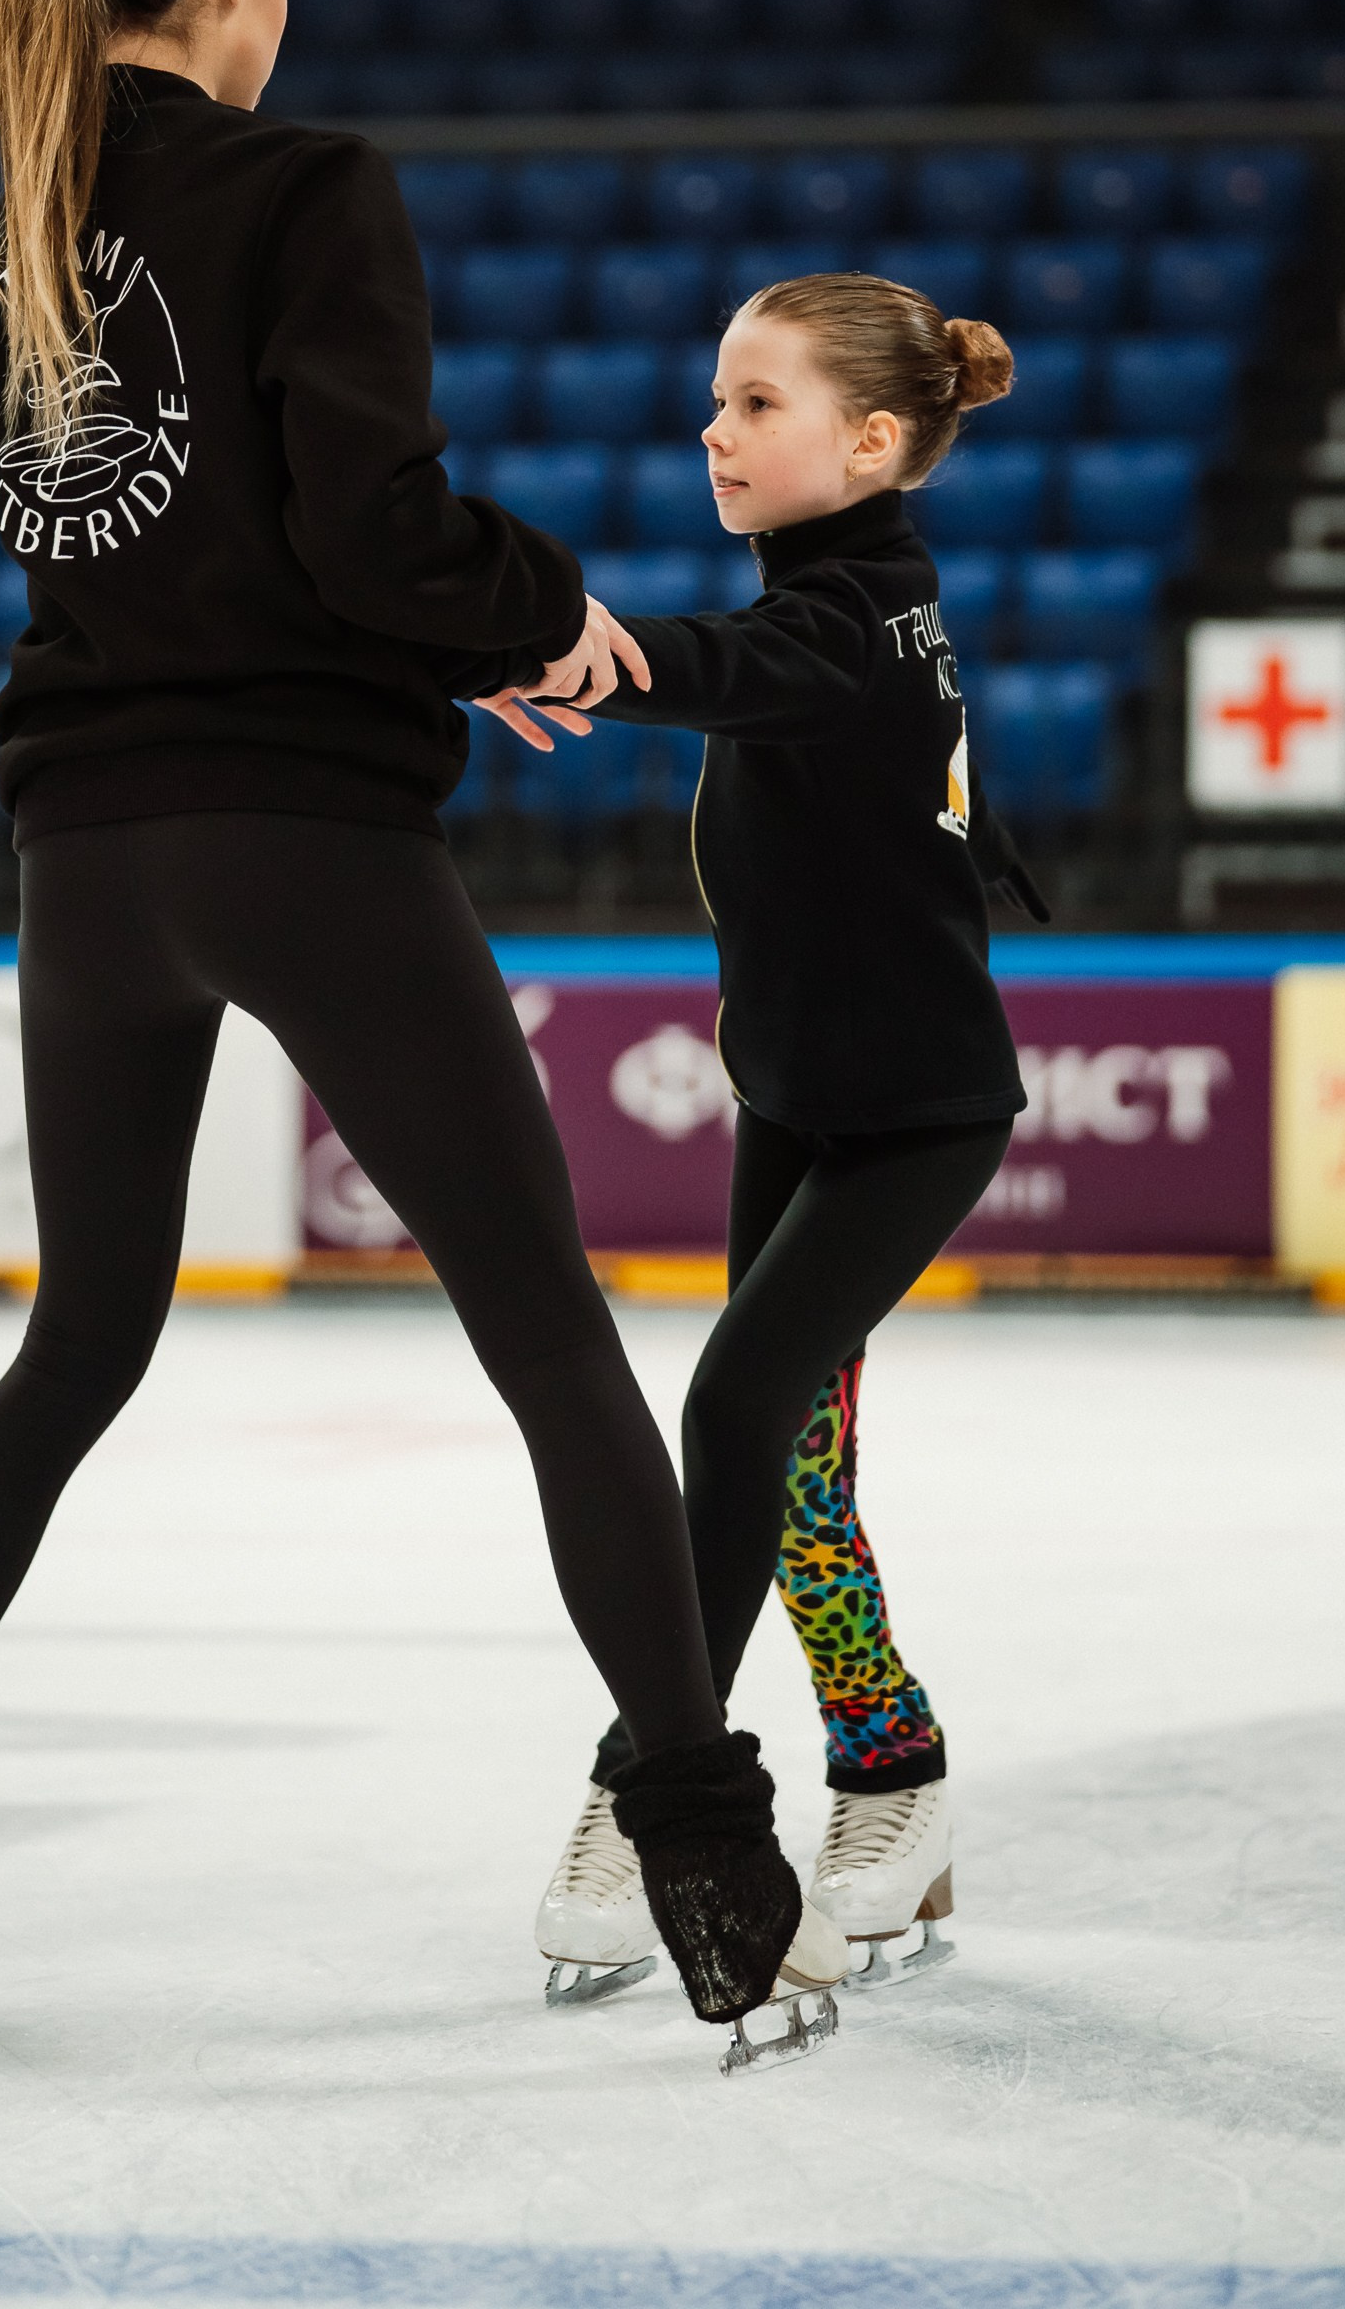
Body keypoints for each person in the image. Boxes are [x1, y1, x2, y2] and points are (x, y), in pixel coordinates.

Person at [0, 0, 850, 2060]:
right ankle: (721, 1890)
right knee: (553, 1346)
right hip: (304, 840)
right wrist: (541, 615)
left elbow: (172, 530)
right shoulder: (307, 187)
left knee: (79, 1345)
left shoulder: (32, 221)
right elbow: (364, 531)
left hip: (92, 857)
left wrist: (447, 633)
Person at [475, 271, 1047, 2000]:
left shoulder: (856, 620)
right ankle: (894, 1772)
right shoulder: (856, 600)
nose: (714, 432)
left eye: (756, 405)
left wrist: (543, 638)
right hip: (804, 1096)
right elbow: (737, 667)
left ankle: (660, 1787)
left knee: (735, 1414)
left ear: (872, 443)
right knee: (793, 1472)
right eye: (718, 399)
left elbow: (721, 670)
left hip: (917, 1115)